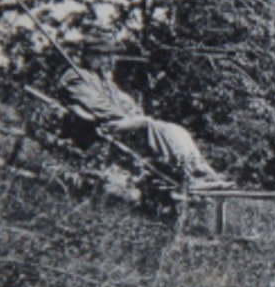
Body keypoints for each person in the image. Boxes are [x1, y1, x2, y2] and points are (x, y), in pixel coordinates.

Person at [58, 30, 229, 188]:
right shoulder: (76, 76)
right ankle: (190, 174)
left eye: (109, 55)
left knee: (174, 129)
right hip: (103, 126)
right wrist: (126, 114)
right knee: (150, 124)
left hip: (121, 121)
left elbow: (126, 102)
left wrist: (127, 106)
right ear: (91, 56)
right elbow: (98, 106)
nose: (109, 60)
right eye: (104, 56)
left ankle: (202, 172)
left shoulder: (103, 79)